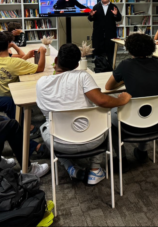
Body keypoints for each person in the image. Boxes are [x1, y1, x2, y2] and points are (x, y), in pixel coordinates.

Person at [36, 43, 132, 185]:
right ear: (77, 65)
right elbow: (101, 101)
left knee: (45, 126)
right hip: (92, 140)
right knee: (103, 121)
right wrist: (121, 100)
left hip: (59, 142)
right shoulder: (82, 76)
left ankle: (70, 167)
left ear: (56, 61)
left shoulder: (41, 82)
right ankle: (95, 170)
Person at [105, 33, 158, 169]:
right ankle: (142, 151)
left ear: (129, 49)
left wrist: (123, 80)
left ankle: (120, 158)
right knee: (145, 108)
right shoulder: (157, 63)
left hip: (131, 122)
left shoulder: (126, 64)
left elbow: (108, 87)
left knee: (109, 116)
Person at [0, 32, 46, 97]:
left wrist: (26, 57)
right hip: (13, 96)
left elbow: (14, 66)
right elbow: (40, 68)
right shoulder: (15, 63)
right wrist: (42, 52)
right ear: (8, 44)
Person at [88, 0, 122, 66]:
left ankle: (111, 67)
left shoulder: (113, 7)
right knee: (98, 53)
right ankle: (99, 67)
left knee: (110, 52)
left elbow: (119, 19)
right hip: (98, 34)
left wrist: (116, 14)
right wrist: (91, 15)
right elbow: (90, 19)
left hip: (110, 34)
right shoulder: (96, 6)